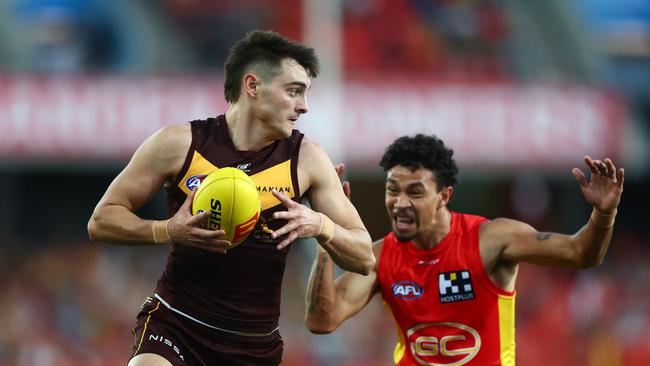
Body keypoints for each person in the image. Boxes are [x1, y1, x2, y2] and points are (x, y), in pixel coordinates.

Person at [87, 30, 374, 366]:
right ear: (252, 86)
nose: (304, 106)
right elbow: (101, 220)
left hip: (253, 346)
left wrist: (321, 224)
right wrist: (165, 230)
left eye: (305, 94)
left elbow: (365, 257)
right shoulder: (178, 144)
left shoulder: (308, 160)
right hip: (176, 326)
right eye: (294, 91)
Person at [305, 134, 624, 365]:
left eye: (415, 192)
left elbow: (581, 253)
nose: (400, 203)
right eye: (392, 191)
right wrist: (327, 232)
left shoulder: (492, 240)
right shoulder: (378, 256)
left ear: (444, 195)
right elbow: (322, 321)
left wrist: (604, 214)